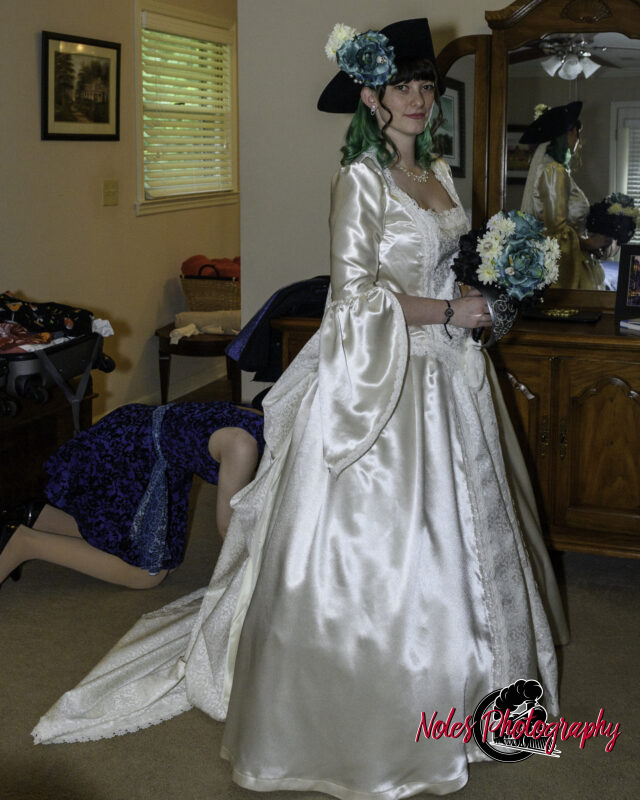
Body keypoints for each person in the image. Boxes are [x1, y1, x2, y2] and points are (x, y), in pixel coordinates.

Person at [33, 19, 568, 799]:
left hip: (454, 376)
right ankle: (376, 709)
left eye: (425, 85)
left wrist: (482, 298)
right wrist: (451, 313)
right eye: (401, 86)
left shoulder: (442, 175)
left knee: (473, 536)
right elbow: (355, 300)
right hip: (383, 383)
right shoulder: (361, 180)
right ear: (371, 98)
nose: (418, 98)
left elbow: (441, 270)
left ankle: (485, 698)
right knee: (385, 550)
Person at [0, 401, 264, 589]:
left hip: (146, 439)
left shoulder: (262, 421)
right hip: (132, 449)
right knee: (147, 574)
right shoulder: (243, 446)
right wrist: (266, 580)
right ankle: (24, 543)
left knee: (162, 555)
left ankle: (38, 516)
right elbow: (228, 528)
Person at [520, 101, 611, 289]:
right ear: (569, 133)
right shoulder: (553, 170)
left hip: (574, 260)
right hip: (565, 270)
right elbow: (555, 231)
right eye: (577, 133)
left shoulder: (552, 169)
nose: (578, 140)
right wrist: (589, 243)